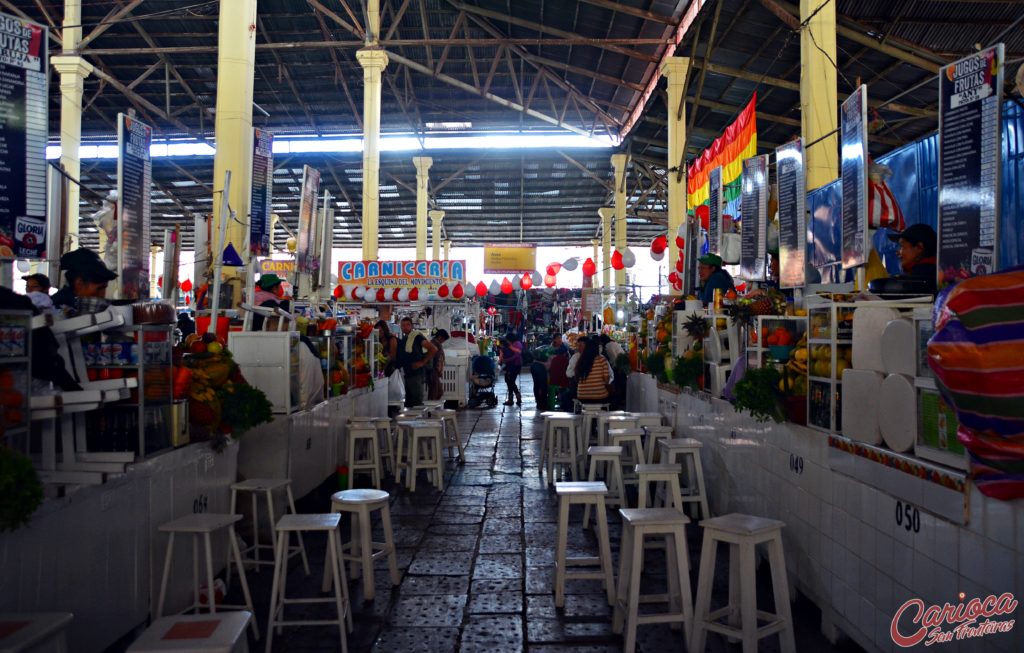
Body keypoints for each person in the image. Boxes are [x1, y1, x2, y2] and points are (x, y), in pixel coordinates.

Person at [51, 248, 118, 311]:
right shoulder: (55, 310)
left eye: (104, 288)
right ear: (79, 284)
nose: (102, 295)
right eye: (99, 289)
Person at [396, 317, 437, 407]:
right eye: (403, 325)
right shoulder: (405, 339)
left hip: (417, 374)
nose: (405, 327)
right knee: (409, 403)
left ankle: (419, 419)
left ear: (412, 326)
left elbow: (433, 349)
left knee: (416, 402)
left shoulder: (417, 337)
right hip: (408, 374)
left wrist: (422, 362)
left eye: (408, 325)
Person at [887, 223, 937, 294]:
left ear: (919, 247)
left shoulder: (921, 277)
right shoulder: (938, 272)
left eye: (902, 246)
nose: (898, 252)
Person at [575, 338, 614, 405]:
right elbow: (606, 380)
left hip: (582, 396)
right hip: (599, 397)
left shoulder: (581, 359)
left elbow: (576, 377)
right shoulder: (601, 359)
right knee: (613, 398)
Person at [498, 332, 524, 407]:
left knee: (511, 381)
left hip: (515, 365)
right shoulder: (511, 344)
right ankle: (515, 397)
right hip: (510, 366)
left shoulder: (517, 344)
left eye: (507, 340)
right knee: (509, 381)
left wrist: (507, 360)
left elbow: (517, 355)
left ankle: (513, 398)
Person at [427, 329, 450, 401]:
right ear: (440, 337)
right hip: (433, 371)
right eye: (443, 340)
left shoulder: (434, 343)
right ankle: (431, 409)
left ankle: (432, 407)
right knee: (435, 392)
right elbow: (436, 359)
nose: (443, 342)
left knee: (437, 391)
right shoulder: (435, 344)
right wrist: (438, 370)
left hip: (434, 371)